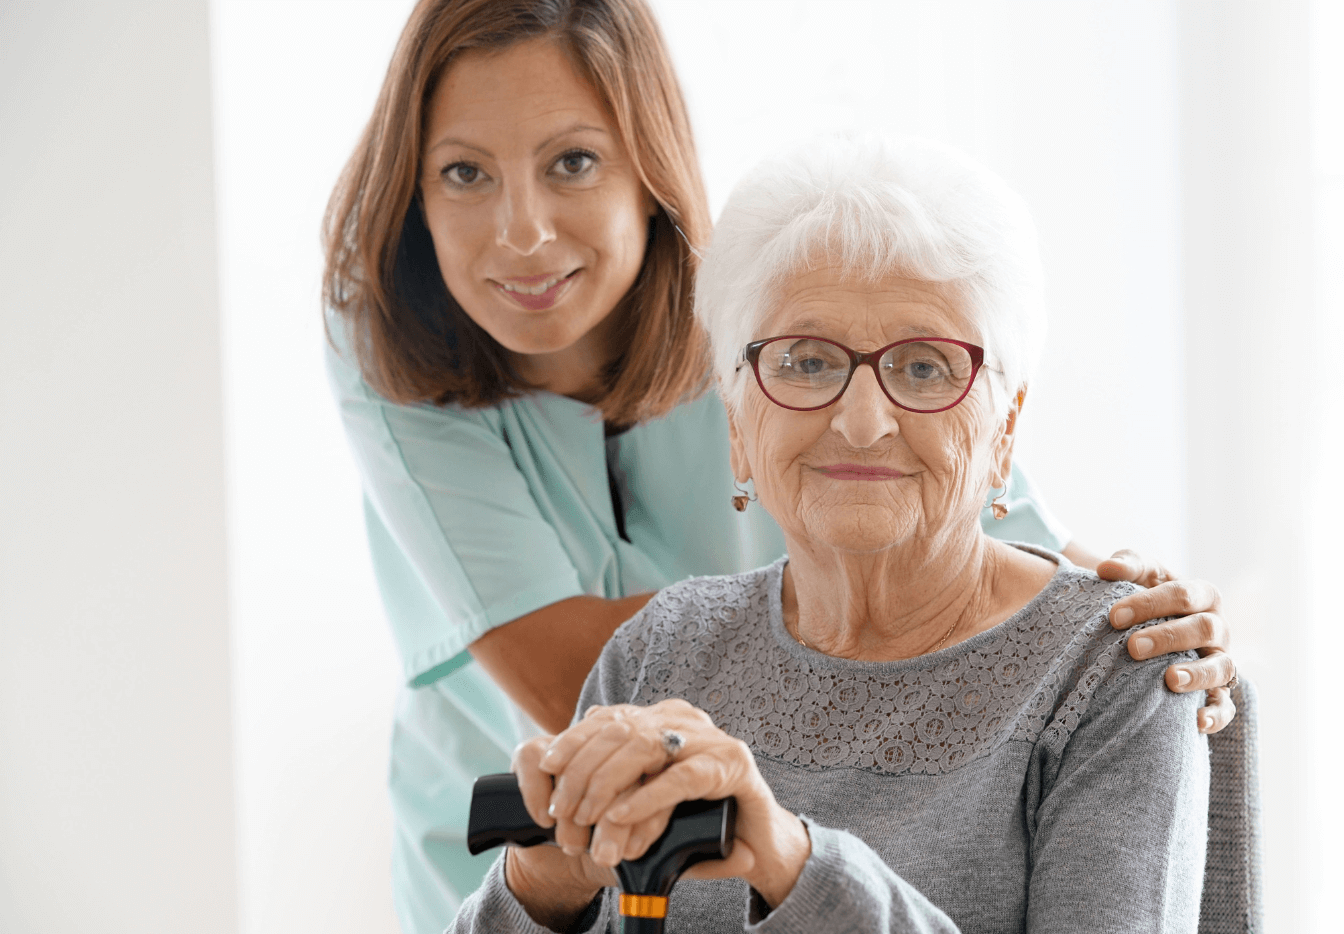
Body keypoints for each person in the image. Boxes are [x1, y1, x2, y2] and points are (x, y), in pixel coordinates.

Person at [322, 1, 1236, 930]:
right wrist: (535, 893)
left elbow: (998, 540)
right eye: (807, 364)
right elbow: (586, 698)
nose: (863, 417)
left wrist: (1150, 622)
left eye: (923, 368)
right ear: (737, 415)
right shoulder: (657, 656)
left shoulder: (1104, 682)